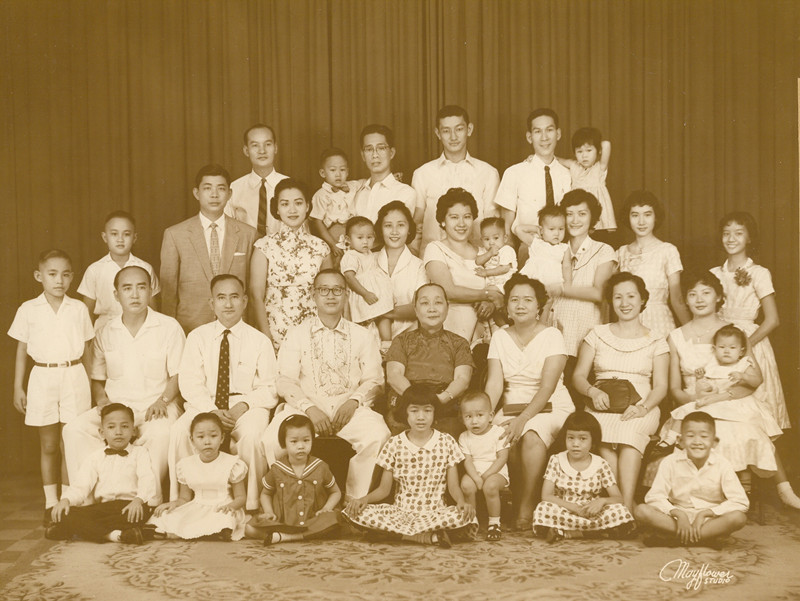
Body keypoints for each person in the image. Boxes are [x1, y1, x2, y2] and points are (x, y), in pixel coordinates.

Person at [654, 270, 800, 508]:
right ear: (686, 300)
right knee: (704, 428)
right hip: (695, 401)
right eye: (692, 294)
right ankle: (709, 497)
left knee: (745, 427)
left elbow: (754, 380)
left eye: (706, 293)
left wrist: (721, 398)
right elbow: (675, 389)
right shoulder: (675, 336)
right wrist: (696, 401)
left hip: (734, 398)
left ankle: (784, 490)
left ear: (719, 297)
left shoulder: (734, 332)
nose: (699, 299)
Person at [262, 269, 390, 500]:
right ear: (313, 295)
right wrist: (309, 408)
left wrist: (353, 401)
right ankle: (289, 500)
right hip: (305, 408)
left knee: (378, 435)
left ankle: (355, 500)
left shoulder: (362, 335)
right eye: (324, 290)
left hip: (350, 408)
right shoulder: (297, 333)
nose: (331, 296)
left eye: (337, 290)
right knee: (271, 440)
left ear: (346, 294)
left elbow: (375, 380)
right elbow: (285, 380)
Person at [63, 266, 185, 503]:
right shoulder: (106, 331)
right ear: (116, 294)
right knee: (74, 429)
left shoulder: (169, 327)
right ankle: (89, 501)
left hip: (156, 406)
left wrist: (163, 400)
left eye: (141, 287)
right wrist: (102, 401)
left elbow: (178, 374)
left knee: (161, 433)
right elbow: (97, 378)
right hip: (116, 408)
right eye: (127, 288)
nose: (135, 295)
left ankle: (147, 501)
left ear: (150, 291)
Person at [170, 274, 277, 511]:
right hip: (205, 403)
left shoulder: (259, 340)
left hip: (246, 406)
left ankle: (251, 504)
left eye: (234, 297)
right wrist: (211, 411)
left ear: (245, 301)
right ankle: (184, 500)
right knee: (179, 431)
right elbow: (189, 382)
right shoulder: (198, 337)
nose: (228, 304)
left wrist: (242, 407)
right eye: (221, 298)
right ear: (212, 303)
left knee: (252, 435)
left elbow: (270, 387)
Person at [8, 249, 93, 525]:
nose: (59, 280)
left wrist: (91, 384)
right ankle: (51, 503)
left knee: (71, 442)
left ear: (72, 277)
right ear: (39, 275)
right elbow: (21, 350)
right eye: (52, 274)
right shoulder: (28, 309)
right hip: (42, 378)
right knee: (48, 444)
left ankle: (68, 502)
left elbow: (88, 349)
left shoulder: (78, 308)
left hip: (74, 375)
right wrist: (17, 387)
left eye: (66, 274)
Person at [484, 274, 574, 529]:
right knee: (501, 434)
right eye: (514, 300)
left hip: (551, 405)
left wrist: (523, 419)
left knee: (531, 434)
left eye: (527, 300)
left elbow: (547, 387)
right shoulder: (500, 336)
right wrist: (487, 415)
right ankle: (513, 499)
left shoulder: (552, 335)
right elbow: (495, 384)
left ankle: (527, 504)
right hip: (511, 405)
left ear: (538, 306)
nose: (520, 305)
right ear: (507, 306)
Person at [572, 272, 669, 510]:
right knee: (602, 437)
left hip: (641, 406)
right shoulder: (597, 334)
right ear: (611, 301)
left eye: (631, 296)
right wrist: (592, 392)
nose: (624, 303)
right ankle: (620, 507)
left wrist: (642, 408)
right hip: (600, 404)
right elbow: (578, 376)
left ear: (642, 299)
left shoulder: (657, 339)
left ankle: (623, 506)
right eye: (618, 297)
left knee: (629, 435)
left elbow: (661, 386)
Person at [343, 385, 477, 547]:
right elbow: (384, 489)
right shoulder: (394, 444)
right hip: (401, 514)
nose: (421, 417)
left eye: (427, 410)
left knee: (466, 516)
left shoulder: (447, 442)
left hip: (435, 513)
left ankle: (397, 535)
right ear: (405, 413)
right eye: (414, 411)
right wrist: (363, 499)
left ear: (435, 413)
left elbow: (453, 486)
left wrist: (461, 502)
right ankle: (429, 537)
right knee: (359, 512)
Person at [711, 212, 790, 429]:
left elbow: (772, 319)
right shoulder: (714, 273)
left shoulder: (759, 273)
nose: (731, 238)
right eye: (726, 233)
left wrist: (746, 346)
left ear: (749, 238)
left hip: (750, 342)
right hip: (721, 340)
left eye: (738, 233)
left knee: (755, 407)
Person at [160, 164, 259, 332]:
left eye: (221, 188)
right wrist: (170, 332)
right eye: (207, 188)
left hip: (237, 327)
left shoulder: (248, 234)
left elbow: (252, 288)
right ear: (196, 193)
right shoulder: (175, 235)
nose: (214, 194)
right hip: (190, 327)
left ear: (229, 194)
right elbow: (168, 293)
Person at [46, 404, 158, 545]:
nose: (118, 432)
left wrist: (138, 500)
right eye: (111, 427)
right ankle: (116, 535)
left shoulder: (140, 453)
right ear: (102, 433)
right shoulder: (95, 458)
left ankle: (75, 530)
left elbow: (147, 479)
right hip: (104, 508)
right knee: (62, 512)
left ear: (133, 431)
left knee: (139, 513)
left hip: (130, 506)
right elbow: (81, 485)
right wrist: (66, 500)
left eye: (124, 426)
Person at [635, 411, 748, 548]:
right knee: (641, 511)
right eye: (690, 436)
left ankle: (676, 538)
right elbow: (654, 497)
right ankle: (703, 538)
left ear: (714, 442)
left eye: (704, 436)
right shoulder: (669, 462)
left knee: (738, 518)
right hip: (676, 519)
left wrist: (706, 513)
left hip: (709, 520)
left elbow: (740, 501)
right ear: (680, 441)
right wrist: (678, 514)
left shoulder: (722, 464)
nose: (697, 442)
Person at [249, 178, 332, 349]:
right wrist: (266, 337)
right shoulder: (264, 246)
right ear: (276, 208)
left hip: (314, 333)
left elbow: (327, 294)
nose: (292, 210)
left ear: (307, 206)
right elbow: (256, 296)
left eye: (298, 203)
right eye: (285, 204)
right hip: (274, 333)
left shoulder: (321, 247)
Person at [385, 283, 474, 436]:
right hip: (408, 406)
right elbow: (394, 375)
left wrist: (438, 400)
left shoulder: (459, 343)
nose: (432, 309)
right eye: (425, 303)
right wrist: (419, 401)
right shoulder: (402, 341)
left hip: (445, 405)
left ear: (447, 307)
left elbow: (462, 379)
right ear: (415, 309)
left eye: (438, 302)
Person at [532, 411, 634, 541]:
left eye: (582, 439)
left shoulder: (601, 464)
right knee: (543, 508)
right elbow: (546, 496)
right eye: (570, 438)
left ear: (593, 440)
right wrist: (573, 507)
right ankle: (600, 532)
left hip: (593, 512)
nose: (575, 444)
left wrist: (601, 501)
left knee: (619, 510)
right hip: (565, 510)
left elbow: (618, 498)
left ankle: (568, 533)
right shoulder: (556, 460)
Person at [549, 189, 616, 389]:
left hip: (586, 340)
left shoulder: (604, 250)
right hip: (555, 338)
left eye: (582, 213)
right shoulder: (553, 249)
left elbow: (599, 293)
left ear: (592, 217)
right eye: (569, 214)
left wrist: (560, 289)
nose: (575, 220)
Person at [411, 105, 500, 254]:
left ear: (469, 129)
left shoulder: (488, 173)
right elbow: (417, 225)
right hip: (433, 257)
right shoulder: (422, 174)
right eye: (446, 131)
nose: (453, 137)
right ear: (438, 133)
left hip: (476, 258)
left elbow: (492, 224)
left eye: (459, 129)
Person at [246, 414, 341, 544]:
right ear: (283, 443)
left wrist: (326, 508)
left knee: (333, 520)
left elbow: (336, 492)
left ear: (312, 440)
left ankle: (285, 537)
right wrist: (269, 512)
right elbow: (265, 493)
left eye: (306, 440)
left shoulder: (320, 467)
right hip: (284, 522)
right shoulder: (277, 469)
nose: (301, 446)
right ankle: (290, 534)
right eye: (294, 441)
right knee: (249, 528)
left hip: (313, 520)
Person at [424, 187, 504, 343]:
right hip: (448, 331)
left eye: (467, 217)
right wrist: (488, 295)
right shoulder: (435, 249)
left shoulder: (484, 252)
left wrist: (491, 304)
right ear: (443, 221)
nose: (461, 223)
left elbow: (499, 288)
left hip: (483, 333)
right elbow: (448, 291)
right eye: (454, 217)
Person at [153, 413, 248, 541]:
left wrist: (231, 506)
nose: (207, 442)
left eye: (213, 436)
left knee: (225, 518)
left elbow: (241, 497)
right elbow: (184, 498)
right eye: (201, 437)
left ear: (222, 438)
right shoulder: (185, 465)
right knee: (167, 515)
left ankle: (215, 532)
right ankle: (203, 532)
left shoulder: (232, 463)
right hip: (197, 506)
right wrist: (173, 504)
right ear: (192, 440)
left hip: (223, 508)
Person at [616, 191, 690, 337]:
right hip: (627, 323)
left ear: (655, 217)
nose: (641, 222)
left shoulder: (668, 250)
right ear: (628, 217)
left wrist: (692, 332)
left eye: (647, 214)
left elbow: (677, 299)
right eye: (635, 215)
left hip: (659, 322)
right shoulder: (620, 253)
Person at [494, 108, 571, 247]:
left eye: (549, 130)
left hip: (563, 246)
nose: (544, 137)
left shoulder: (568, 174)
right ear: (529, 137)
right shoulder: (514, 173)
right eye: (537, 131)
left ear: (558, 133)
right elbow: (506, 226)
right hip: (527, 246)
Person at [78, 211, 160, 332]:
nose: (120, 239)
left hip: (139, 328)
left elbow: (153, 309)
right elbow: (87, 312)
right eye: (114, 234)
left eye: (126, 234)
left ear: (134, 238)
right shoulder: (94, 270)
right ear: (105, 237)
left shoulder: (145, 268)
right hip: (105, 329)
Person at [352, 124, 420, 241]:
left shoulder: (405, 192)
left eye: (381, 148)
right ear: (363, 155)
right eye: (369, 149)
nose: (375, 155)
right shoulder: (356, 191)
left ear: (391, 153)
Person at [458, 391, 509, 542]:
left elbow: (502, 458)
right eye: (468, 417)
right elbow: (467, 461)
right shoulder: (464, 437)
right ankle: (471, 520)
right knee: (466, 485)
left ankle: (494, 523)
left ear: (490, 416)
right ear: (463, 419)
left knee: (490, 486)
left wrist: (485, 476)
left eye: (480, 415)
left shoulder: (498, 432)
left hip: (496, 472)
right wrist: (476, 477)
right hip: (474, 471)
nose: (474, 421)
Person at [374, 201, 428, 338]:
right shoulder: (366, 260)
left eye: (401, 225)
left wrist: (378, 312)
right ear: (380, 229)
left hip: (407, 340)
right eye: (388, 225)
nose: (394, 232)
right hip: (368, 340)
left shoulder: (419, 266)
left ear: (409, 229)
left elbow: (420, 307)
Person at [340, 216, 394, 353]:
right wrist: (365, 294)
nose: (365, 241)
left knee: (384, 316)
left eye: (369, 237)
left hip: (376, 294)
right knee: (363, 324)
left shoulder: (370, 253)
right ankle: (362, 348)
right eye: (360, 238)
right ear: (348, 239)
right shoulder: (351, 256)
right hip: (362, 294)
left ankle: (387, 344)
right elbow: (350, 278)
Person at [224, 124, 288, 236]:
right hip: (245, 246)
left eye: (268, 144)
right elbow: (226, 230)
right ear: (246, 151)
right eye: (255, 145)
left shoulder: (291, 186)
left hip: (284, 246)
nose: (262, 151)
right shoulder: (234, 188)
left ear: (275, 148)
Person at [557, 127, 616, 232]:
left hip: (595, 207)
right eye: (579, 151)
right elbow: (555, 159)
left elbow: (607, 144)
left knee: (599, 233)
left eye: (589, 150)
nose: (584, 155)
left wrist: (597, 144)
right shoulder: (573, 165)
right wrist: (534, 157)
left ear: (598, 151)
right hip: (578, 206)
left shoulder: (599, 167)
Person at [309, 147, 362, 261]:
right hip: (333, 233)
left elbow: (367, 182)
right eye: (332, 170)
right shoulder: (321, 195)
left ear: (347, 172)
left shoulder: (353, 186)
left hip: (352, 232)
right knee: (337, 261)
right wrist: (332, 244)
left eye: (342, 170)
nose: (338, 174)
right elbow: (317, 222)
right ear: (323, 173)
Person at [519, 205, 569, 325]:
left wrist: (567, 285)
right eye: (551, 229)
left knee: (548, 308)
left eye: (561, 229)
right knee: (529, 308)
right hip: (533, 283)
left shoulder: (564, 248)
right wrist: (536, 229)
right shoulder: (536, 243)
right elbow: (518, 229)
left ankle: (542, 328)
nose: (557, 233)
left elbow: (567, 267)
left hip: (552, 284)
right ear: (542, 230)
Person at [475, 217, 517, 290]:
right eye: (487, 239)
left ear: (505, 238)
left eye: (496, 238)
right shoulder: (484, 251)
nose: (491, 242)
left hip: (505, 282)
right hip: (491, 283)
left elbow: (505, 268)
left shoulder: (506, 250)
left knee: (488, 292)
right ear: (481, 240)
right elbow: (478, 261)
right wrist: (489, 253)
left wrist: (486, 272)